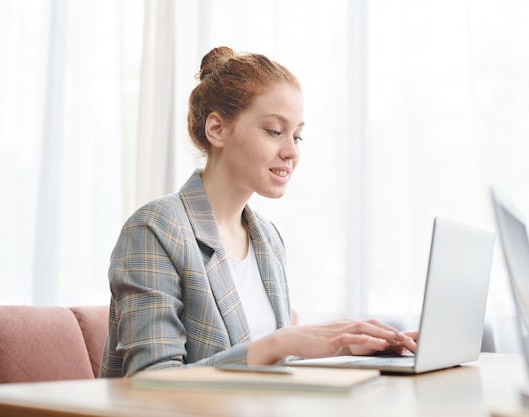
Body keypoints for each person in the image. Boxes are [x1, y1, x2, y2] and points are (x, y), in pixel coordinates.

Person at [100, 46, 417, 378]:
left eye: (297, 136)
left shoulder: (268, 239)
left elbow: (266, 367)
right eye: (275, 131)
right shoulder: (155, 229)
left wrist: (347, 346)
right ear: (217, 130)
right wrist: (282, 342)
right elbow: (150, 381)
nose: (292, 151)